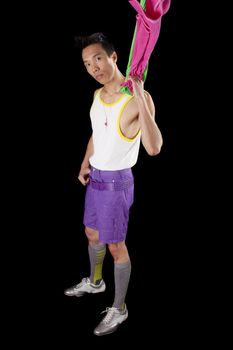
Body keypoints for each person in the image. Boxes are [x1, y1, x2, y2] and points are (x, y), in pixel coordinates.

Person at [64, 32, 163, 336]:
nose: (93, 67)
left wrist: (141, 95)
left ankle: (119, 308)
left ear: (114, 57)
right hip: (96, 177)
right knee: (91, 232)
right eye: (87, 63)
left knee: (116, 246)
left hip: (117, 184)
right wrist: (85, 163)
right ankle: (96, 282)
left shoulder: (137, 99)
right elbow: (98, 131)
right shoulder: (98, 95)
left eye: (98, 59)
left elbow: (154, 146)